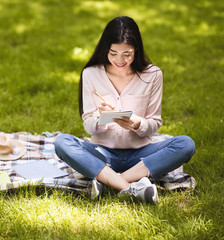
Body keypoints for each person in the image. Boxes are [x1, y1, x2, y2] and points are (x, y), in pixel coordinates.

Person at [54, 16, 195, 204]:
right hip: (102, 153)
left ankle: (110, 181)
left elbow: (155, 123)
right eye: (113, 53)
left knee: (185, 144)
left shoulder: (153, 75)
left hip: (141, 154)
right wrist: (101, 118)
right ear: (105, 49)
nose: (119, 60)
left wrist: (137, 123)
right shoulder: (91, 74)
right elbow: (88, 125)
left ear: (136, 50)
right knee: (62, 142)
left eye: (127, 54)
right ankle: (131, 187)